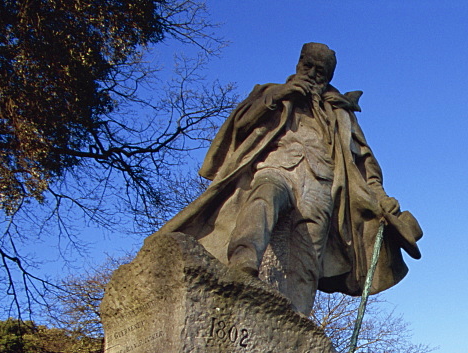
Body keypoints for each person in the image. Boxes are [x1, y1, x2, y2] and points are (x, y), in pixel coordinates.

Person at [156, 42, 421, 315]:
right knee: (263, 199)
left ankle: (298, 318)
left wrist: (381, 196)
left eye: (321, 71)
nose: (313, 74)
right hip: (277, 166)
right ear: (298, 64)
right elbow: (239, 126)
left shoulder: (341, 114)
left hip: (321, 183)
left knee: (309, 256)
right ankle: (242, 264)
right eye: (308, 66)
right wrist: (279, 97)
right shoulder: (270, 93)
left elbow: (364, 163)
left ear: (329, 76)